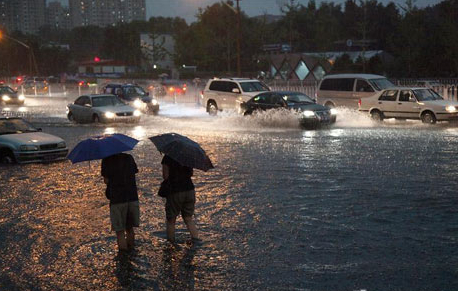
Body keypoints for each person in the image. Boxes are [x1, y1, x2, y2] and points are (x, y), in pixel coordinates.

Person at [101, 152, 139, 252]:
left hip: (117, 199)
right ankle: (132, 251)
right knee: (130, 229)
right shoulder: (129, 157)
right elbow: (134, 172)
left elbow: (106, 181)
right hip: (132, 197)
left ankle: (124, 258)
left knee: (120, 231)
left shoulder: (106, 160)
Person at [161, 154, 199, 243]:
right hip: (189, 189)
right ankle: (196, 240)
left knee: (171, 220)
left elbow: (165, 176)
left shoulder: (167, 157)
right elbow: (191, 173)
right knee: (188, 218)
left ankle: (171, 243)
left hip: (175, 191)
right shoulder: (187, 156)